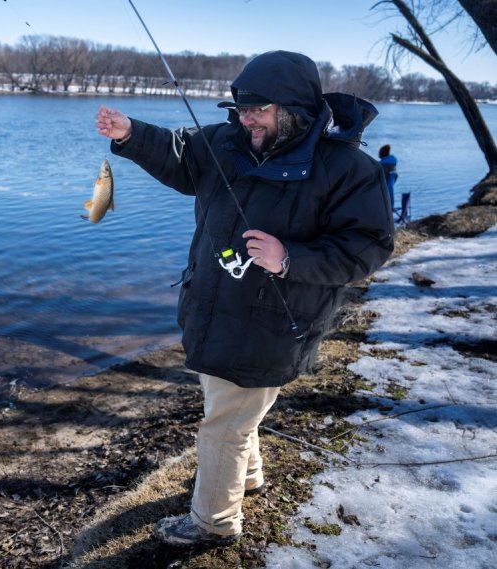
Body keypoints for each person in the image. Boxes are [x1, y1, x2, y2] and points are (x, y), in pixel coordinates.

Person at [95, 50, 394, 548]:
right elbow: (179, 155)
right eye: (240, 109)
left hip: (273, 322)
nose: (245, 119)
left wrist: (289, 258)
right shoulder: (227, 141)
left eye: (259, 110)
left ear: (294, 110)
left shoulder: (347, 169)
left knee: (224, 425)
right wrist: (129, 133)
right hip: (212, 307)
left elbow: (368, 246)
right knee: (229, 407)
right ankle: (247, 477)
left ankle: (212, 523)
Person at [379, 144, 398, 209]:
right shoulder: (392, 162)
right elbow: (396, 176)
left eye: (379, 152)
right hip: (390, 181)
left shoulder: (381, 164)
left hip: (386, 185)